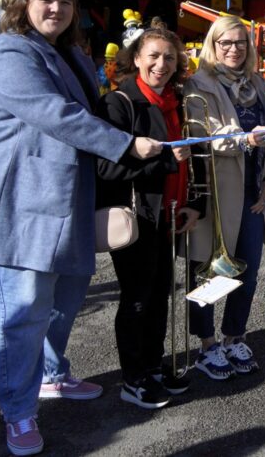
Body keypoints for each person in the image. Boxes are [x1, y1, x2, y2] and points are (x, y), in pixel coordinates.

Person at [0, 0, 163, 456]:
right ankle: (19, 412)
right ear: (23, 3)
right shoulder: (9, 52)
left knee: (63, 300)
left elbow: (95, 108)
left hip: (61, 204)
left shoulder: (69, 53)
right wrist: (126, 145)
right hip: (14, 210)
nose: (57, 9)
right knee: (19, 317)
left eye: (67, 2)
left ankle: (51, 374)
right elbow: (56, 114)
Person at [95, 26, 200, 409]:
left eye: (169, 57)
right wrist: (161, 161)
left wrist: (194, 204)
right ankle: (132, 377)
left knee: (159, 296)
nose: (161, 64)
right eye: (153, 56)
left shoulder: (177, 101)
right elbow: (106, 171)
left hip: (170, 215)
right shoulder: (119, 103)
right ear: (136, 58)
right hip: (137, 218)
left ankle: (153, 366)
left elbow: (189, 161)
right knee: (137, 299)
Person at [184, 15, 265, 380]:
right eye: (226, 43)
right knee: (209, 274)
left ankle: (233, 336)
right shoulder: (198, 83)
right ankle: (206, 344)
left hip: (254, 192)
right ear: (213, 45)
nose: (234, 49)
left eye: (240, 42)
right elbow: (200, 135)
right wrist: (243, 140)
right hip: (219, 195)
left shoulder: (257, 83)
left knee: (247, 273)